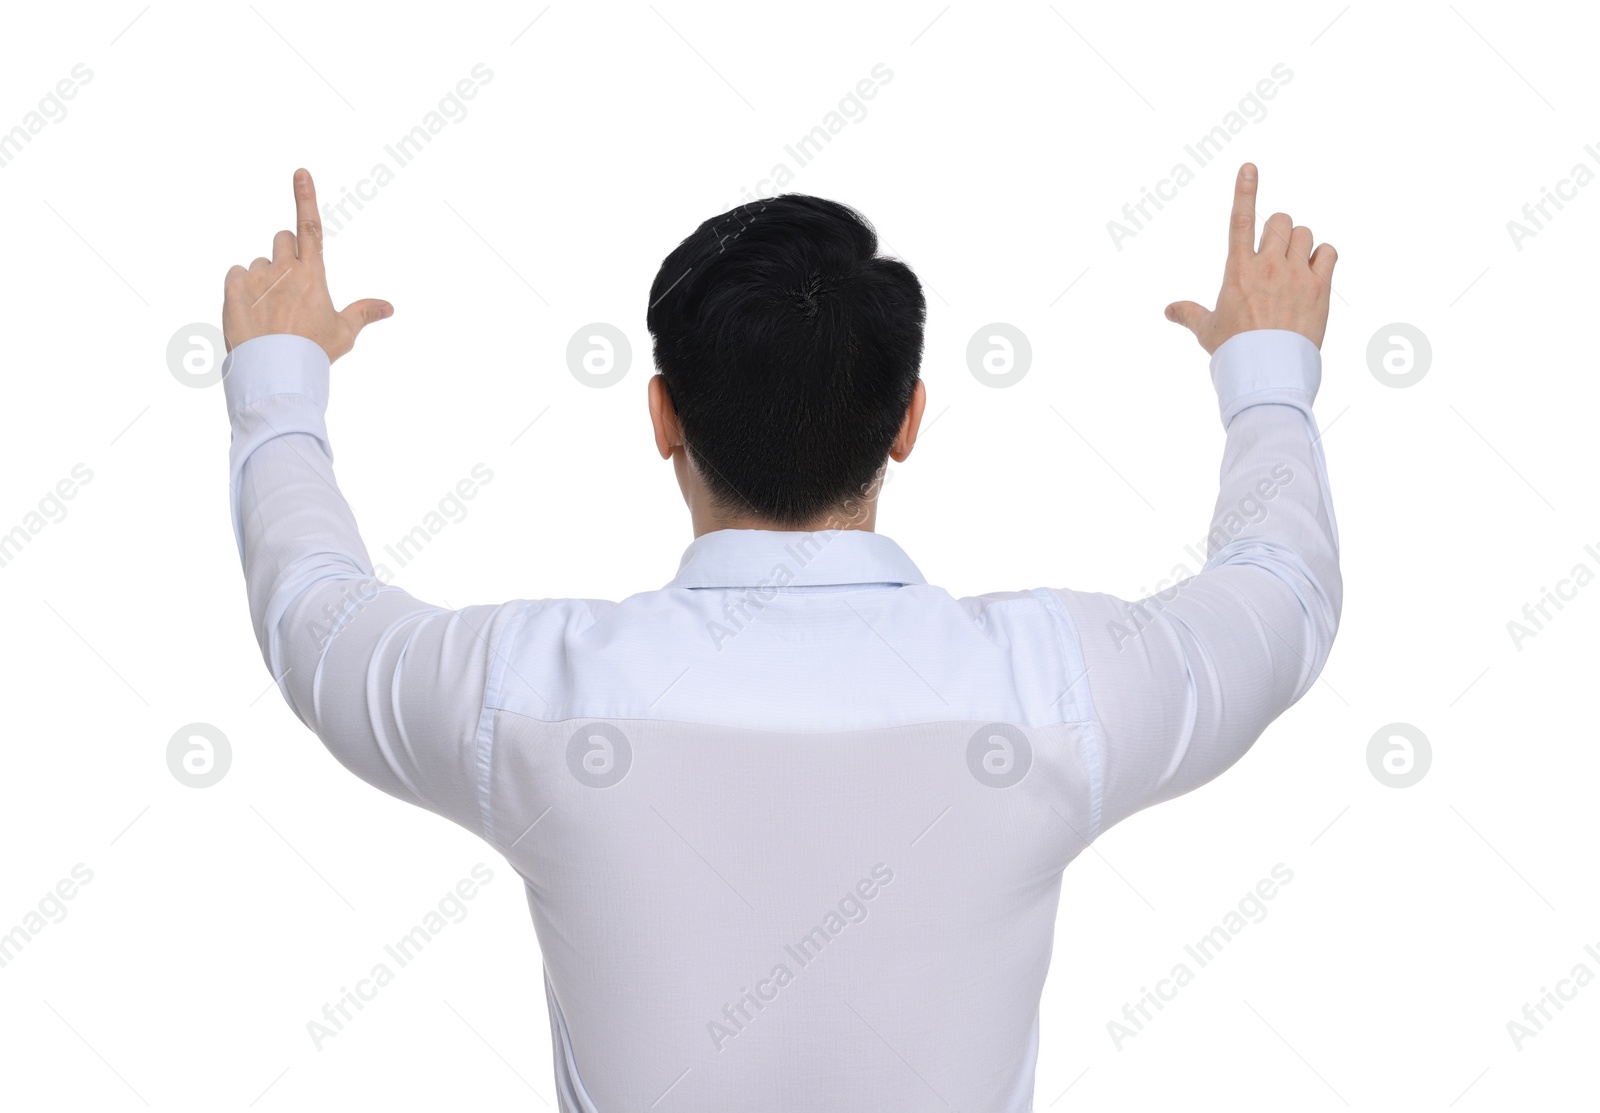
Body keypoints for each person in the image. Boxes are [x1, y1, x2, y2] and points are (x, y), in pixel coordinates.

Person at [220, 161, 1340, 1111]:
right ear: (908, 420)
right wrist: (1267, 375)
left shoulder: (528, 696)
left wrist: (280, 377)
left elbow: (317, 618)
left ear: (659, 419)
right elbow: (1278, 591)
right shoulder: (1056, 690)